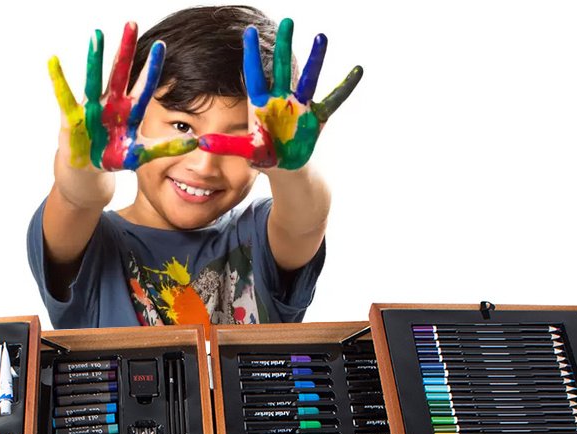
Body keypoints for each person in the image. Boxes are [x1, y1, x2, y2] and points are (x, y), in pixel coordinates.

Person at [27, 5, 362, 330]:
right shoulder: (90, 243)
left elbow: (306, 220)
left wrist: (290, 167)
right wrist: (85, 166)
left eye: (237, 139)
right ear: (133, 121)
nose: (204, 165)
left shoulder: (258, 240)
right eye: (182, 127)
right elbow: (78, 198)